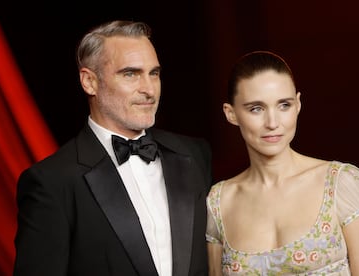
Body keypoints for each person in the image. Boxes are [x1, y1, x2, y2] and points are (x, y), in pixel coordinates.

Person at [13, 20, 212, 276]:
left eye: (154, 73)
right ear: (89, 82)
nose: (149, 90)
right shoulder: (52, 181)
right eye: (130, 74)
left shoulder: (194, 155)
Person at [206, 51, 359, 275]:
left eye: (284, 105)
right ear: (231, 114)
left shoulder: (341, 185)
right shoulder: (219, 202)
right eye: (256, 109)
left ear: (298, 104)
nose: (273, 123)